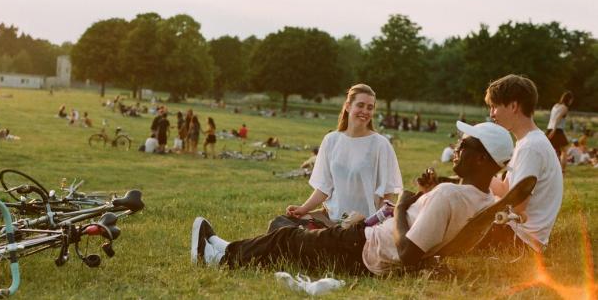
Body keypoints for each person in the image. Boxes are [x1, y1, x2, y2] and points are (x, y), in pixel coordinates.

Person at [191, 121, 514, 274]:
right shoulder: (481, 200)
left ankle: (219, 256)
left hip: (364, 247)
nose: (457, 149)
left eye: (465, 145)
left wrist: (402, 205)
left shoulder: (450, 195)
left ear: (483, 160)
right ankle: (227, 247)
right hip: (367, 245)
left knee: (286, 237)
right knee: (288, 235)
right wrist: (424, 197)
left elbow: (408, 252)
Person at [271, 84, 403, 231]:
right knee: (281, 224)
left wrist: (376, 226)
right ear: (347, 106)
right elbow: (324, 188)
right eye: (360, 105)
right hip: (330, 219)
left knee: (312, 240)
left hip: (361, 226)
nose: (365, 111)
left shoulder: (381, 144)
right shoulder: (331, 140)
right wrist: (303, 209)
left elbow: (387, 194)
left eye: (370, 107)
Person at [484, 74, 563, 252]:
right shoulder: (527, 142)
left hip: (519, 239)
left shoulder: (530, 147)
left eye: (494, 107)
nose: (491, 114)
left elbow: (517, 207)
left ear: (513, 106)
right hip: (521, 236)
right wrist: (477, 171)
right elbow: (506, 190)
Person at [546, 91, 574, 171]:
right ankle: (562, 169)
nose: (571, 102)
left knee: (549, 149)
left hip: (549, 128)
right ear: (569, 99)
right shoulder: (565, 108)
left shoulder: (555, 106)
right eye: (571, 100)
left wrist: (551, 130)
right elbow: (557, 119)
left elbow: (552, 118)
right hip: (557, 130)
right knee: (564, 151)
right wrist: (554, 130)